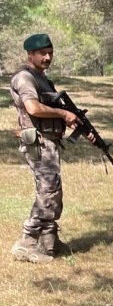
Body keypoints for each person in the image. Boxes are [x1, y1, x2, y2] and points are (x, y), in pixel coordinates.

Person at [9, 33, 79, 262]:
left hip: (49, 140)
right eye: (42, 53)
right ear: (30, 54)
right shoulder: (25, 78)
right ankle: (27, 242)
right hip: (38, 142)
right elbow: (34, 108)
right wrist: (63, 113)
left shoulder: (41, 78)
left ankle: (49, 240)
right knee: (47, 192)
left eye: (50, 52)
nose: (48, 57)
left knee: (53, 191)